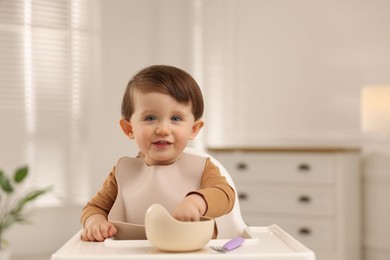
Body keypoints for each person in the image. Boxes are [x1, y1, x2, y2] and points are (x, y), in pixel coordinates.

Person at [80, 65, 235, 242]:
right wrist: (95, 221)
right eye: (150, 118)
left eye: (176, 118)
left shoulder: (202, 168)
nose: (162, 129)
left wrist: (196, 202)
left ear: (193, 129)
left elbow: (225, 195)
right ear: (129, 128)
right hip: (132, 254)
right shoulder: (122, 172)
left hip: (188, 253)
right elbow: (94, 207)